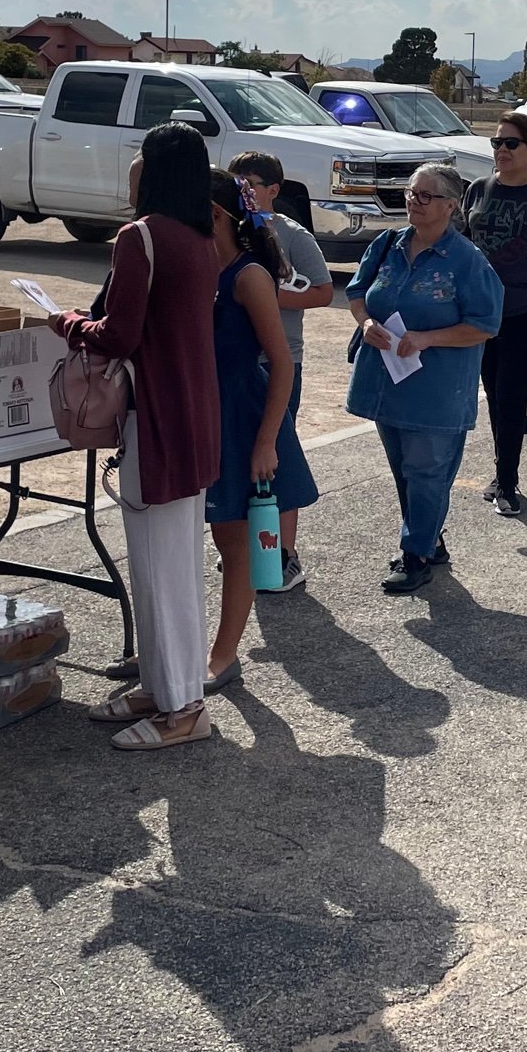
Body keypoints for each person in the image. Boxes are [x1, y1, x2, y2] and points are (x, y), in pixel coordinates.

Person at [48, 124, 222, 749]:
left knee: (162, 566)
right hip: (192, 414)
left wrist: (64, 320)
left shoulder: (141, 236)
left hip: (159, 418)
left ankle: (183, 709)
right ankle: (162, 685)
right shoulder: (200, 238)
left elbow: (118, 335)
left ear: (152, 170)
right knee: (167, 564)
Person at [346, 161, 503, 593]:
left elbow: (486, 324)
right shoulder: (389, 243)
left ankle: (415, 555)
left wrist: (427, 338)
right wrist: (363, 324)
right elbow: (358, 292)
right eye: (411, 193)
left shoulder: (467, 261)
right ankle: (429, 538)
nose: (414, 201)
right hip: (388, 383)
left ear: (451, 205)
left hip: (437, 389)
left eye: (426, 195)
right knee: (405, 470)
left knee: (426, 471)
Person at [201, 171, 317, 687]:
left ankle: (223, 656)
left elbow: (281, 362)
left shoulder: (247, 275)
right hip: (210, 414)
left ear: (216, 215)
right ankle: (195, 647)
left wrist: (267, 439)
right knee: (217, 534)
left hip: (245, 417)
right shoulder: (204, 268)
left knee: (237, 541)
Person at [458, 115, 527, 515]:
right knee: (493, 396)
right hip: (478, 316)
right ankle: (501, 471)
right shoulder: (476, 191)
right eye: (497, 143)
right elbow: (460, 251)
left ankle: (508, 481)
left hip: (525, 314)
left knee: (510, 398)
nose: (502, 150)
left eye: (511, 143)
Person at [230, 151, 333, 589]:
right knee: (242, 456)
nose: (244, 191)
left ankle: (284, 555)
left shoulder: (292, 235)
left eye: (251, 183)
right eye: (237, 183)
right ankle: (253, 548)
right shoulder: (229, 232)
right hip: (238, 360)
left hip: (280, 361)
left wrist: (267, 298)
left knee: (277, 456)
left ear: (273, 189)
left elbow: (325, 292)